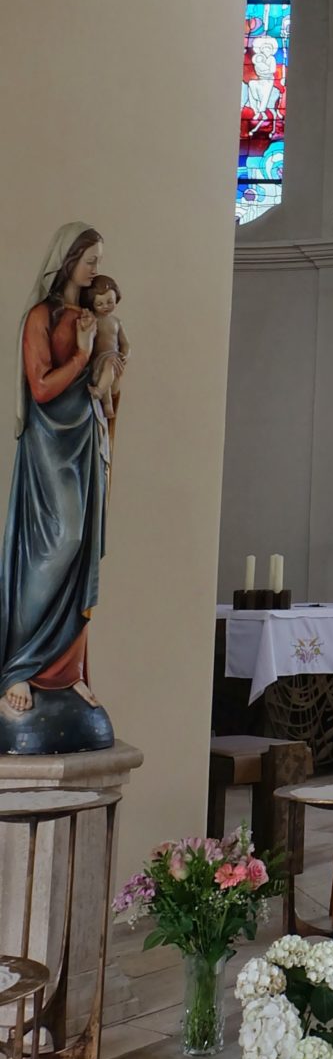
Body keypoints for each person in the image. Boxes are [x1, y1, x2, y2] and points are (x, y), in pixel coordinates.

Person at [0, 225, 122, 719]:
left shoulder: (91, 315)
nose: (95, 270)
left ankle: (69, 673)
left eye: (98, 261)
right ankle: (19, 666)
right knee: (56, 546)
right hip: (50, 448)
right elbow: (42, 387)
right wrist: (82, 354)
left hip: (85, 440)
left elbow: (106, 374)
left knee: (82, 550)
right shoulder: (41, 317)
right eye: (89, 260)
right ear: (68, 260)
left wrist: (109, 363)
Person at [83, 274, 129, 419]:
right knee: (108, 366)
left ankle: (107, 403)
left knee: (111, 371)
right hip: (99, 359)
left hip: (114, 356)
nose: (106, 307)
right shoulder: (93, 320)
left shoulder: (116, 322)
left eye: (110, 302)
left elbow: (125, 343)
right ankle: (100, 393)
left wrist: (125, 355)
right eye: (100, 304)